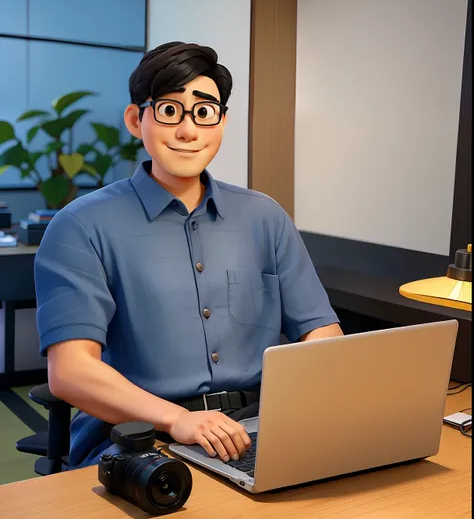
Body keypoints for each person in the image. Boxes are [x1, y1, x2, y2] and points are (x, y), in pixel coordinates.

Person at [34, 41, 343, 470]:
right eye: (169, 111)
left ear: (221, 121)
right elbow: (70, 371)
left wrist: (296, 410)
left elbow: (321, 332)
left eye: (203, 112)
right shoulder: (81, 225)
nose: (188, 131)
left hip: (260, 427)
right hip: (140, 437)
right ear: (135, 120)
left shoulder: (264, 216)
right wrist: (180, 420)